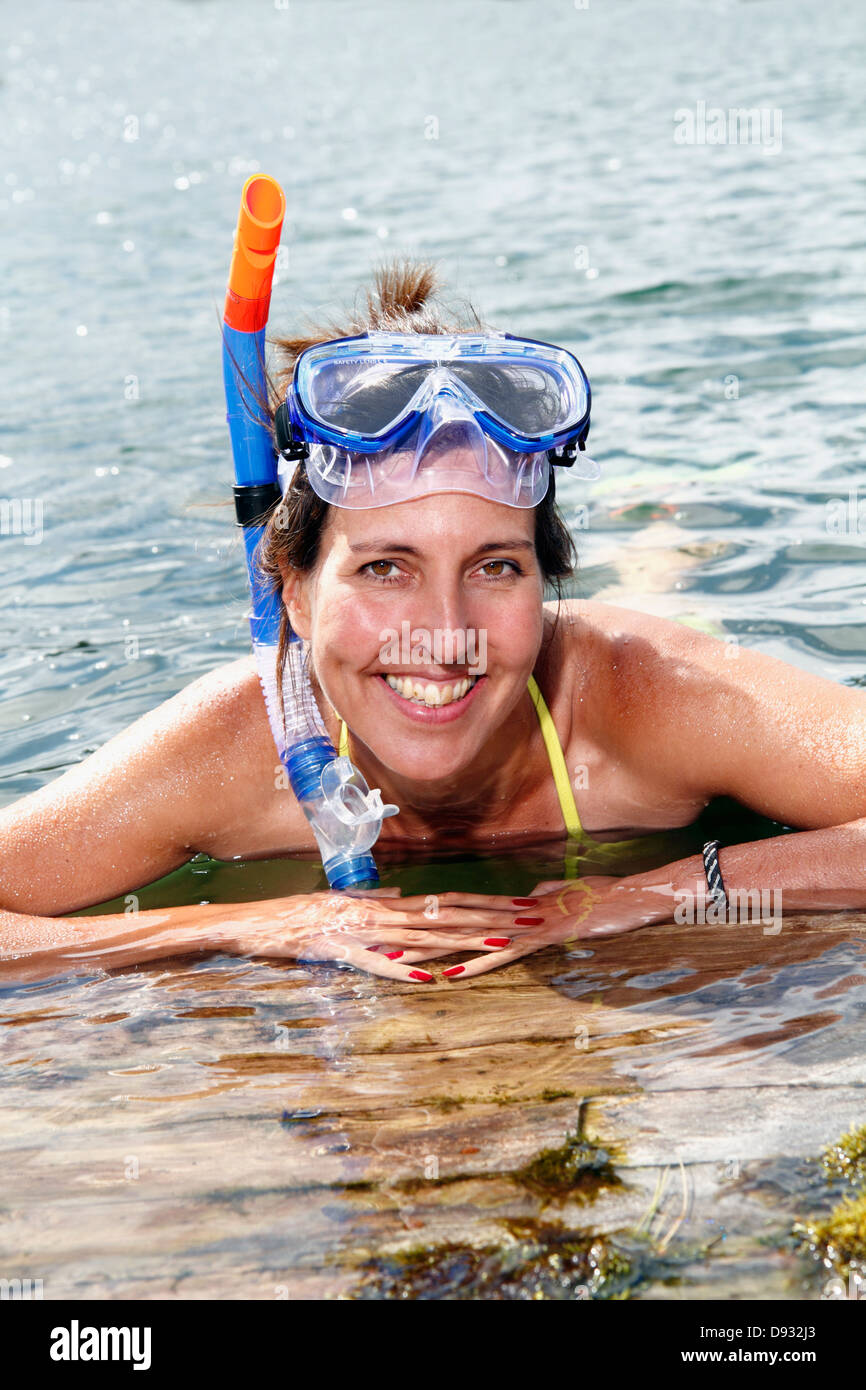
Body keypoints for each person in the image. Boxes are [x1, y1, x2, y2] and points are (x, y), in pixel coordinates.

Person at [2, 261, 865, 986]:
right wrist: (259, 922)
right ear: (292, 593)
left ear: (545, 582)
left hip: (647, 649)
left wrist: (641, 897)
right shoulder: (231, 747)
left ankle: (663, 538)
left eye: (497, 566)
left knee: (657, 593)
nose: (443, 632)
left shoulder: (639, 694)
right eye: (386, 568)